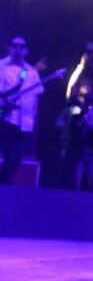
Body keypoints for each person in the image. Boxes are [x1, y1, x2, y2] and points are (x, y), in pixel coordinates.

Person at [0, 36, 44, 184]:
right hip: (4, 116)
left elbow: (36, 95)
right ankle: (4, 185)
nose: (17, 49)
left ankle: (4, 183)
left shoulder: (30, 72)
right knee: (10, 153)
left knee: (17, 157)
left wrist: (33, 117)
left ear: (26, 50)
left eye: (21, 46)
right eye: (14, 46)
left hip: (23, 120)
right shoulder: (1, 66)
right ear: (9, 48)